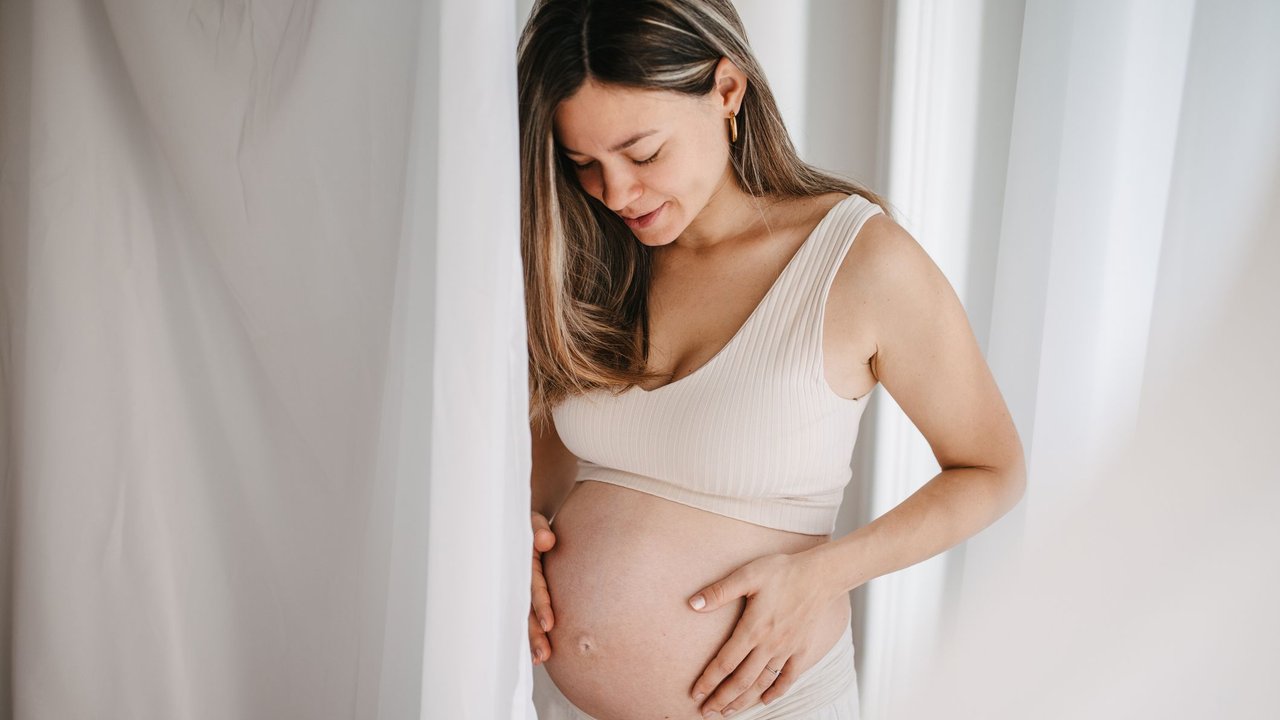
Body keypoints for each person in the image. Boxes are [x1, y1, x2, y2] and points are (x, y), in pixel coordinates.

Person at [518, 1, 1026, 718]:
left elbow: (992, 470)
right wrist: (524, 530)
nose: (617, 193)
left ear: (727, 90)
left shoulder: (862, 262)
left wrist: (824, 575)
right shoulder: (587, 255)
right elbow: (550, 437)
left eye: (644, 153)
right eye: (583, 165)